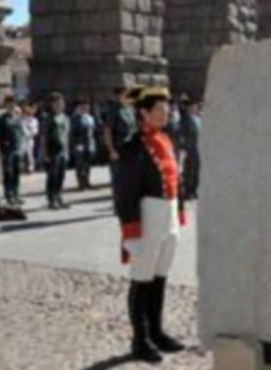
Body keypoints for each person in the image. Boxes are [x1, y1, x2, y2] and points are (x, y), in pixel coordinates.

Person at [114, 87, 187, 363]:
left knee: (160, 278)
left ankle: (156, 331)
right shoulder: (133, 148)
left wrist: (179, 212)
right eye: (160, 109)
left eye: (167, 108)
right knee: (142, 280)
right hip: (147, 218)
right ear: (144, 113)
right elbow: (125, 193)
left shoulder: (166, 140)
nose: (166, 112)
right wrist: (130, 229)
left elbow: (175, 180)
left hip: (167, 216)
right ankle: (140, 338)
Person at [104, 86, 139, 206]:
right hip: (119, 148)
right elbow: (107, 131)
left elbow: (135, 128)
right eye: (124, 95)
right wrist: (111, 150)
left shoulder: (130, 109)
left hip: (132, 148)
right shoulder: (113, 110)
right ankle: (118, 203)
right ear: (118, 96)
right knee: (119, 178)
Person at [42, 92, 71, 209]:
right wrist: (45, 153)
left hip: (63, 150)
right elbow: (43, 137)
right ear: (52, 105)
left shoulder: (65, 117)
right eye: (57, 103)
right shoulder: (48, 118)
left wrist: (68, 151)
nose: (60, 105)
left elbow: (67, 135)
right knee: (52, 176)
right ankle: (51, 199)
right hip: (53, 150)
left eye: (61, 103)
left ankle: (59, 197)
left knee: (61, 175)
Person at [0, 96, 25, 205]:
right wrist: (0, 152)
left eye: (13, 104)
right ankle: (9, 195)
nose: (11, 106)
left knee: (16, 172)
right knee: (8, 173)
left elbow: (21, 134)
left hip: (17, 148)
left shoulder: (18, 118)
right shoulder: (2, 119)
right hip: (7, 150)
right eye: (9, 104)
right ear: (5, 105)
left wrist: (22, 148)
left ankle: (16, 194)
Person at [71, 98, 97, 190]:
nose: (86, 108)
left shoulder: (90, 118)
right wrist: (76, 144)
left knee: (88, 164)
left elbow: (93, 131)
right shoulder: (75, 118)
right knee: (80, 165)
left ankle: (87, 181)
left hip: (89, 144)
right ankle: (81, 183)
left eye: (87, 106)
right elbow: (72, 133)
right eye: (83, 106)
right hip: (80, 144)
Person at [180, 98, 201, 199]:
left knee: (196, 170)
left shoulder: (196, 118)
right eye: (193, 106)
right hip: (190, 148)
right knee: (190, 171)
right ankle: (188, 191)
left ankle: (193, 190)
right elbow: (183, 133)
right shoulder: (186, 118)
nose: (195, 108)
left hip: (196, 147)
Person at [20, 101, 40, 173]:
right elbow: (22, 128)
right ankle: (21, 167)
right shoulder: (21, 120)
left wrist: (30, 132)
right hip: (22, 139)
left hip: (30, 139)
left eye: (27, 112)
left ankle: (30, 168)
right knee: (21, 153)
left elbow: (35, 131)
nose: (26, 114)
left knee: (30, 154)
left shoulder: (34, 120)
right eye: (24, 112)